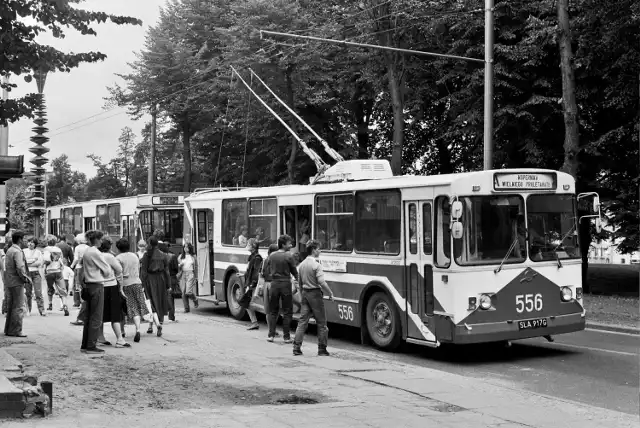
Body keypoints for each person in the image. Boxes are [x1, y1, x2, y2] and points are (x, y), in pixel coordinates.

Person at [293, 240, 334, 356]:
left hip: (305, 294)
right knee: (321, 323)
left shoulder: (301, 265)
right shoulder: (316, 265)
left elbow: (299, 283)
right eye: (318, 249)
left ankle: (296, 347)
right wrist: (330, 293)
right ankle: (322, 349)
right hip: (315, 295)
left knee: (302, 322)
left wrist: (302, 295)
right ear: (313, 250)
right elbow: (321, 282)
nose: (320, 251)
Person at [266, 235, 298, 343]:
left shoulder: (272, 255)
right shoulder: (289, 256)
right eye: (289, 243)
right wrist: (299, 282)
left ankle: (271, 335)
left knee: (273, 311)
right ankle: (286, 337)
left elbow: (268, 268)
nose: (291, 245)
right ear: (283, 244)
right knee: (287, 311)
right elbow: (294, 272)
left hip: (274, 284)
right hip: (285, 284)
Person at [98, 237, 129, 348]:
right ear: (109, 246)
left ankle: (100, 337)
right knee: (115, 314)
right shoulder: (109, 257)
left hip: (99, 286)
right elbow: (119, 270)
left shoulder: (96, 255)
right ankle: (120, 339)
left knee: (100, 313)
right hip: (111, 286)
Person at [116, 238, 149, 343]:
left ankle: (122, 331)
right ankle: (138, 329)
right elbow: (138, 269)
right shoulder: (135, 256)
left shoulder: (118, 258)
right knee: (136, 307)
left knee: (122, 309)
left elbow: (118, 273)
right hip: (137, 283)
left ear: (118, 248)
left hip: (125, 285)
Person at [4, 231, 32, 337]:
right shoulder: (17, 252)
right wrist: (25, 278)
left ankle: (9, 329)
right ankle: (16, 330)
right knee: (19, 306)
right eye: (24, 238)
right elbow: (20, 267)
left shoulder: (10, 250)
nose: (26, 241)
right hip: (16, 281)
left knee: (11, 306)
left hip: (10, 281)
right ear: (20, 239)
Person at [140, 236, 170, 337]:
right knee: (160, 302)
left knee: (150, 302)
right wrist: (168, 284)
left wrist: (142, 283)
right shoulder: (163, 255)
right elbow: (166, 271)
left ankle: (151, 325)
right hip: (161, 280)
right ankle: (159, 323)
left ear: (149, 243)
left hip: (150, 280)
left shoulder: (146, 255)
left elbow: (143, 271)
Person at [43, 237, 70, 316]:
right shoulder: (58, 249)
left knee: (50, 287)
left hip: (49, 272)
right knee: (62, 289)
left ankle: (50, 304)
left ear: (47, 242)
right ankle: (65, 305)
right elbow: (61, 259)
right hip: (58, 271)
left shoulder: (46, 249)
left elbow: (45, 260)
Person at [242, 239, 262, 330]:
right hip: (249, 282)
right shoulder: (251, 257)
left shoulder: (257, 258)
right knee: (247, 302)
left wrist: (252, 284)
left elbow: (256, 273)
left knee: (248, 302)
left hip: (252, 284)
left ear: (253, 246)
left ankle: (255, 322)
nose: (247, 245)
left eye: (249, 244)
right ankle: (254, 322)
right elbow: (249, 270)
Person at [23, 237, 45, 316]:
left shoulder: (38, 252)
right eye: (29, 242)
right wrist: (33, 260)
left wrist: (28, 262)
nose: (30, 244)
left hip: (36, 273)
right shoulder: (24, 251)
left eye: (32, 242)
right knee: (28, 293)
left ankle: (42, 310)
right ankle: (28, 309)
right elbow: (22, 262)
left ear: (35, 244)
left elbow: (39, 263)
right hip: (27, 273)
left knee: (38, 292)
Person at [261, 244, 279, 337]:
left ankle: (270, 329)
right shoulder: (275, 261)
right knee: (275, 309)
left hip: (266, 284)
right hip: (273, 284)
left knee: (268, 309)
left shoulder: (265, 260)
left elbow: (262, 273)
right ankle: (273, 330)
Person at [158, 241, 178, 322]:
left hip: (161, 278)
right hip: (171, 278)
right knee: (171, 298)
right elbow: (176, 269)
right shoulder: (172, 256)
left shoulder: (159, 257)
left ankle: (161, 317)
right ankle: (171, 316)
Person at [178, 242, 199, 312]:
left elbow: (196, 267)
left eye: (187, 247)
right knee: (183, 293)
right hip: (183, 274)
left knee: (188, 292)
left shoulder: (193, 256)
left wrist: (196, 277)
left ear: (190, 248)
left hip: (190, 274)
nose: (185, 248)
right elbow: (177, 267)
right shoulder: (180, 256)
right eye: (184, 247)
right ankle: (186, 308)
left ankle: (195, 299)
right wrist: (180, 265)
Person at [70, 233, 88, 310]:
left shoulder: (77, 248)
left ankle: (79, 302)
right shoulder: (88, 247)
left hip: (79, 268)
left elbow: (76, 258)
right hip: (86, 268)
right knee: (84, 285)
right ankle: (85, 301)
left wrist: (72, 265)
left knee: (78, 285)